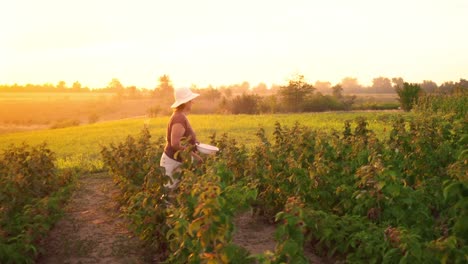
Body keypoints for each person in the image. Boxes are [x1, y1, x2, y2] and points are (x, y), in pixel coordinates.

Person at [160, 87, 203, 189]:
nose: (193, 102)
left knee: (176, 193)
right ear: (186, 102)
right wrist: (194, 156)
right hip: (172, 162)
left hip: (176, 162)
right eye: (191, 100)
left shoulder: (180, 116)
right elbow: (175, 143)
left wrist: (195, 143)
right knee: (169, 195)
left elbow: (183, 139)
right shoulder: (179, 118)